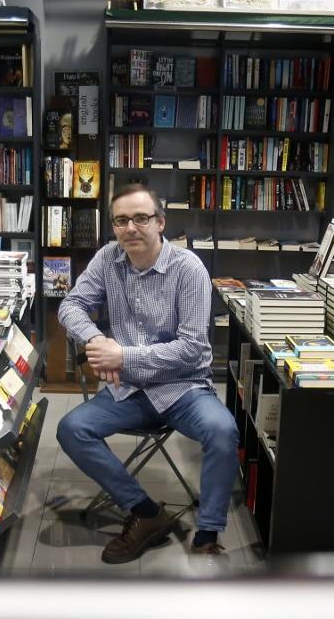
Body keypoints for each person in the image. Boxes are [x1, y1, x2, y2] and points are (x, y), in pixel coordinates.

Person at [57, 184, 239, 564]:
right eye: (121, 220)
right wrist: (96, 340)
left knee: (222, 430)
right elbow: (71, 305)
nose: (131, 228)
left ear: (160, 222)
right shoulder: (108, 259)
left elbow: (193, 349)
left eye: (141, 218)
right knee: (72, 429)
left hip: (183, 388)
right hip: (129, 391)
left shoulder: (188, 268)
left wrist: (122, 355)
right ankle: (145, 513)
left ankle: (207, 532)